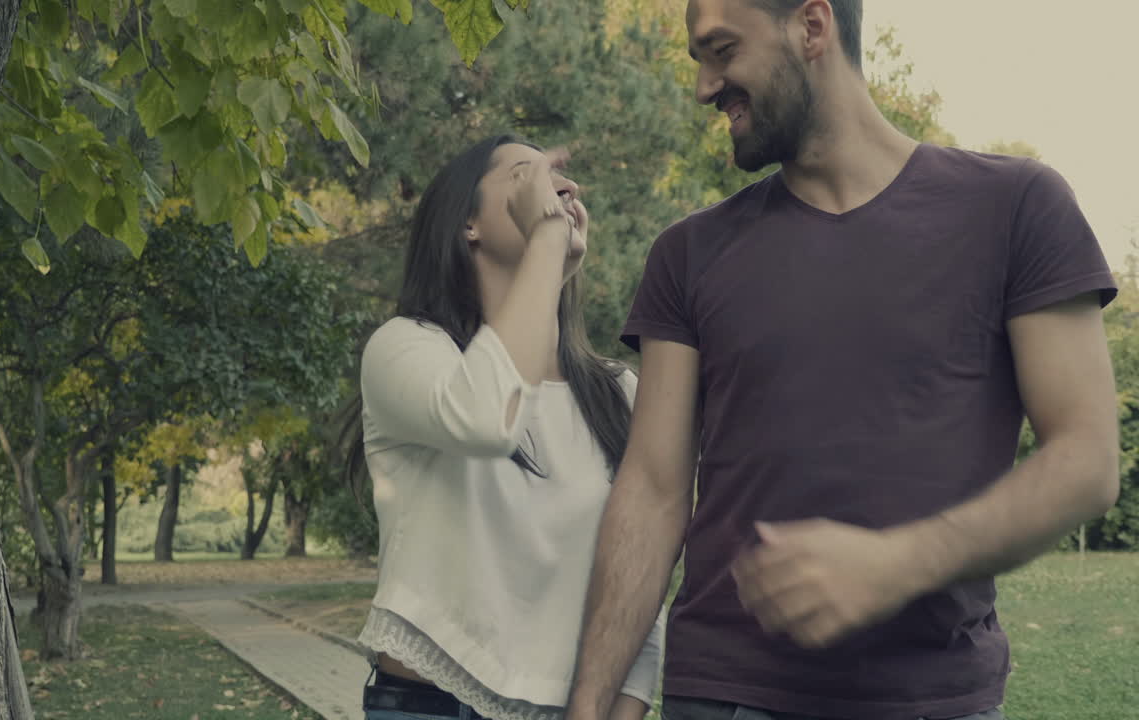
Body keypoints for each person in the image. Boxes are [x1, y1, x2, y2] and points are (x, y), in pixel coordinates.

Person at [563, 1, 1120, 719]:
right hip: (726, 696)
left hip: (932, 699)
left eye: (722, 51)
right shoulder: (688, 254)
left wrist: (898, 563)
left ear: (813, 27)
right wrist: (588, 705)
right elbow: (652, 490)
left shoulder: (1016, 208)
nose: (704, 86)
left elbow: (1086, 461)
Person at [344, 134, 664, 720]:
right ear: (468, 223)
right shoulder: (403, 349)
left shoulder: (618, 393)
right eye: (527, 176)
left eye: (560, 180)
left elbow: (640, 568)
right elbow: (488, 420)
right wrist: (547, 247)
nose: (562, 188)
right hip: (430, 704)